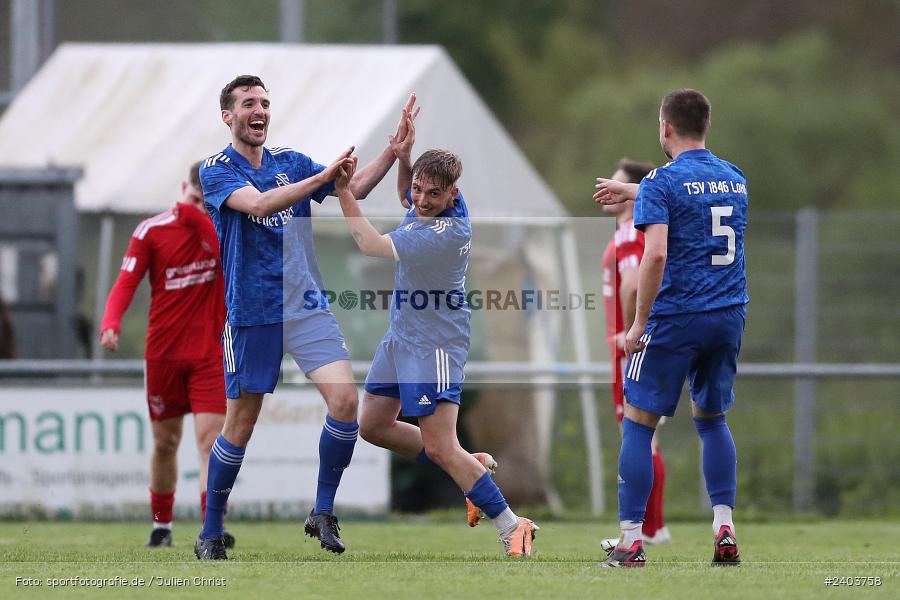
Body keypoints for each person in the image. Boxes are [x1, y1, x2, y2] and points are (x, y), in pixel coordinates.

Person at [195, 75, 415, 560]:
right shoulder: (216, 169)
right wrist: (322, 179)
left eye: (265, 103)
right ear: (228, 116)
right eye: (248, 103)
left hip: (306, 305)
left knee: (344, 403)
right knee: (241, 425)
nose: (260, 110)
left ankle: (322, 511)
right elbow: (257, 204)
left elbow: (349, 187)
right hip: (253, 312)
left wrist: (392, 153)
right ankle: (210, 530)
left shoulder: (289, 162)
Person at [332, 109, 539, 557]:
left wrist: (344, 192)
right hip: (401, 336)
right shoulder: (438, 201)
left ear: (453, 196)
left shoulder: (444, 232)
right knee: (372, 425)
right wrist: (404, 158)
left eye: (432, 194)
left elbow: (369, 243)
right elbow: (408, 193)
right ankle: (470, 465)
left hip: (436, 344)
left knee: (442, 447)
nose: (421, 200)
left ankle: (512, 525)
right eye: (421, 190)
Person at [595, 89, 748, 568]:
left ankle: (630, 541)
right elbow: (694, 202)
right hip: (728, 315)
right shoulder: (734, 178)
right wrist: (638, 191)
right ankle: (724, 527)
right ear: (707, 126)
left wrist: (638, 322)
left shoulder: (662, 181)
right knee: (712, 419)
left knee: (639, 424)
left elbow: (656, 253)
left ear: (665, 127)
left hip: (676, 317)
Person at [100, 161, 232, 549]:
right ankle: (162, 524)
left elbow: (223, 253)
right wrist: (112, 321)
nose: (197, 208)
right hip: (164, 354)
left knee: (211, 442)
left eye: (205, 204)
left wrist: (197, 217)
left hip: (210, 352)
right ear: (182, 188)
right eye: (193, 200)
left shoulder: (222, 229)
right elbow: (126, 282)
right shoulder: (151, 231)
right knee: (165, 443)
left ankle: (213, 528)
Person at [597, 159, 671, 549]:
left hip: (629, 344)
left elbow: (629, 285)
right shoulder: (636, 230)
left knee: (637, 434)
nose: (609, 187)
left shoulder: (630, 231)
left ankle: (648, 528)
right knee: (645, 434)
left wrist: (626, 331)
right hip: (641, 338)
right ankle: (654, 527)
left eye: (618, 183)